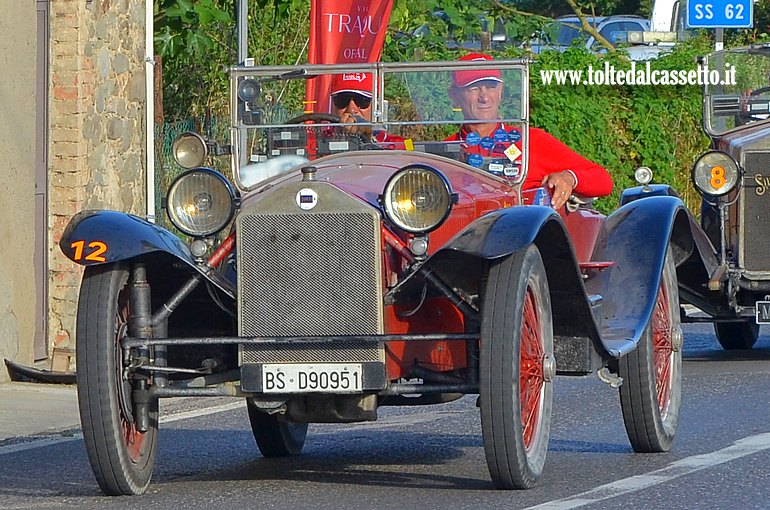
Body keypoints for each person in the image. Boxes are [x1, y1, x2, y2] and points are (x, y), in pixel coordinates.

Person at [446, 53, 613, 209]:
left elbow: (603, 180)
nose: (484, 97)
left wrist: (568, 177)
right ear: (454, 96)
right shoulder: (443, 152)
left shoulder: (530, 140)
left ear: (500, 91)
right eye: (473, 89)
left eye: (490, 87)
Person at [329, 72, 404, 146]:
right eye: (342, 100)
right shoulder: (320, 140)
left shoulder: (395, 143)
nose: (351, 110)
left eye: (361, 101)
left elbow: (408, 152)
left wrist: (369, 137)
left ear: (376, 106)